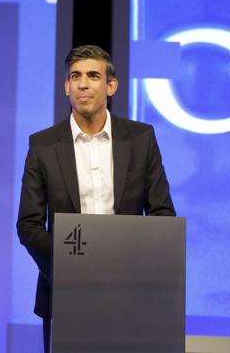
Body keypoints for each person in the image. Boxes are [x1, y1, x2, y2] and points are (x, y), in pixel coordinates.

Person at [16, 45, 176, 353]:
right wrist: (72, 271)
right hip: (65, 293)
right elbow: (29, 224)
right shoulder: (43, 145)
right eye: (75, 76)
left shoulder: (141, 138)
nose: (83, 84)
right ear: (66, 86)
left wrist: (131, 270)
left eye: (93, 75)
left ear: (111, 86)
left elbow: (162, 215)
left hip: (131, 293)